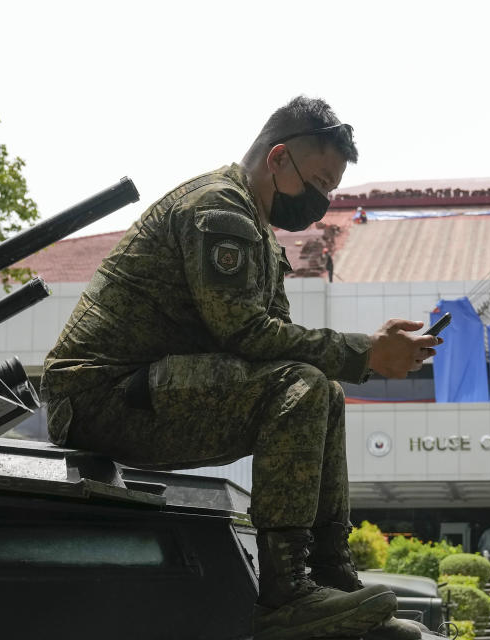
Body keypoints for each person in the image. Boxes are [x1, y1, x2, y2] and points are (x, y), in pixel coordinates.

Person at [41, 96, 439, 640]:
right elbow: (245, 334)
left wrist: (358, 357)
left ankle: (327, 573)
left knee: (322, 389)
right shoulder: (219, 211)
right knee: (300, 388)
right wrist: (364, 353)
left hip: (143, 387)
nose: (321, 200)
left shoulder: (254, 224)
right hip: (99, 397)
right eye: (319, 182)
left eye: (331, 188)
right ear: (278, 158)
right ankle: (284, 595)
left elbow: (275, 343)